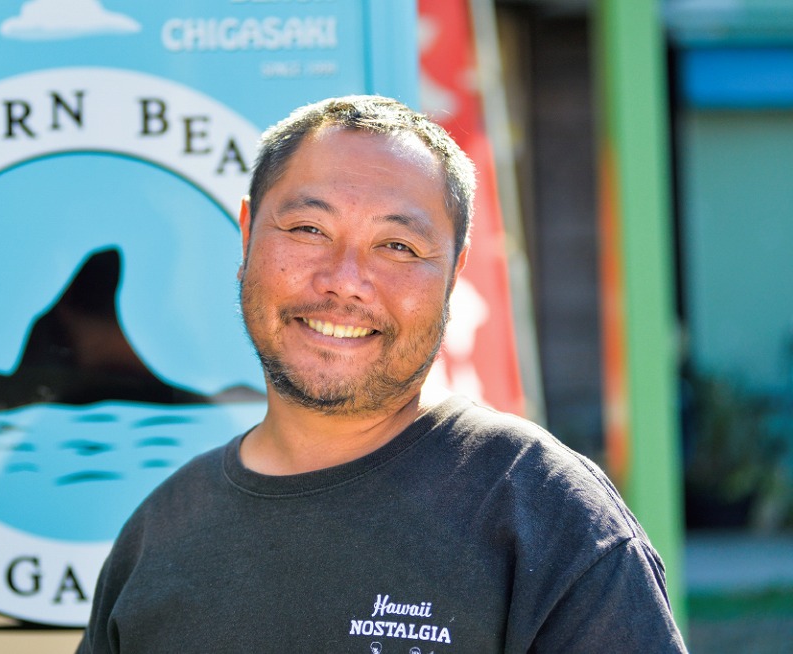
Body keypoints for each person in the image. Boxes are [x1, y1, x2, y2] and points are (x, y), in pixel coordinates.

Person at [76, 95, 687, 652]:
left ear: (453, 272)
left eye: (398, 246)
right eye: (308, 229)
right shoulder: (160, 532)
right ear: (247, 234)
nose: (345, 279)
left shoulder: (542, 510)